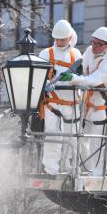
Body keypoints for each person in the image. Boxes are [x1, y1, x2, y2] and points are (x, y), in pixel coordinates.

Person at [59, 26, 107, 176]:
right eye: (93, 42)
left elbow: (93, 80)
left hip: (100, 109)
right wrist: (76, 70)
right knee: (82, 141)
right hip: (87, 106)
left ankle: (97, 175)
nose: (94, 46)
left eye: (98, 44)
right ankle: (83, 170)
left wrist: (73, 78)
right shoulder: (89, 51)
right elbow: (84, 67)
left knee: (98, 144)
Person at [38, 20, 82, 175]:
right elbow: (38, 77)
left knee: (73, 138)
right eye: (56, 39)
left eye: (62, 39)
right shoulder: (46, 54)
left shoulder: (76, 55)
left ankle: (71, 168)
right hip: (53, 104)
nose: (59, 42)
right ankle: (51, 169)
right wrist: (46, 83)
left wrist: (72, 78)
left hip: (72, 104)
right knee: (52, 135)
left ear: (70, 38)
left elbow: (81, 77)